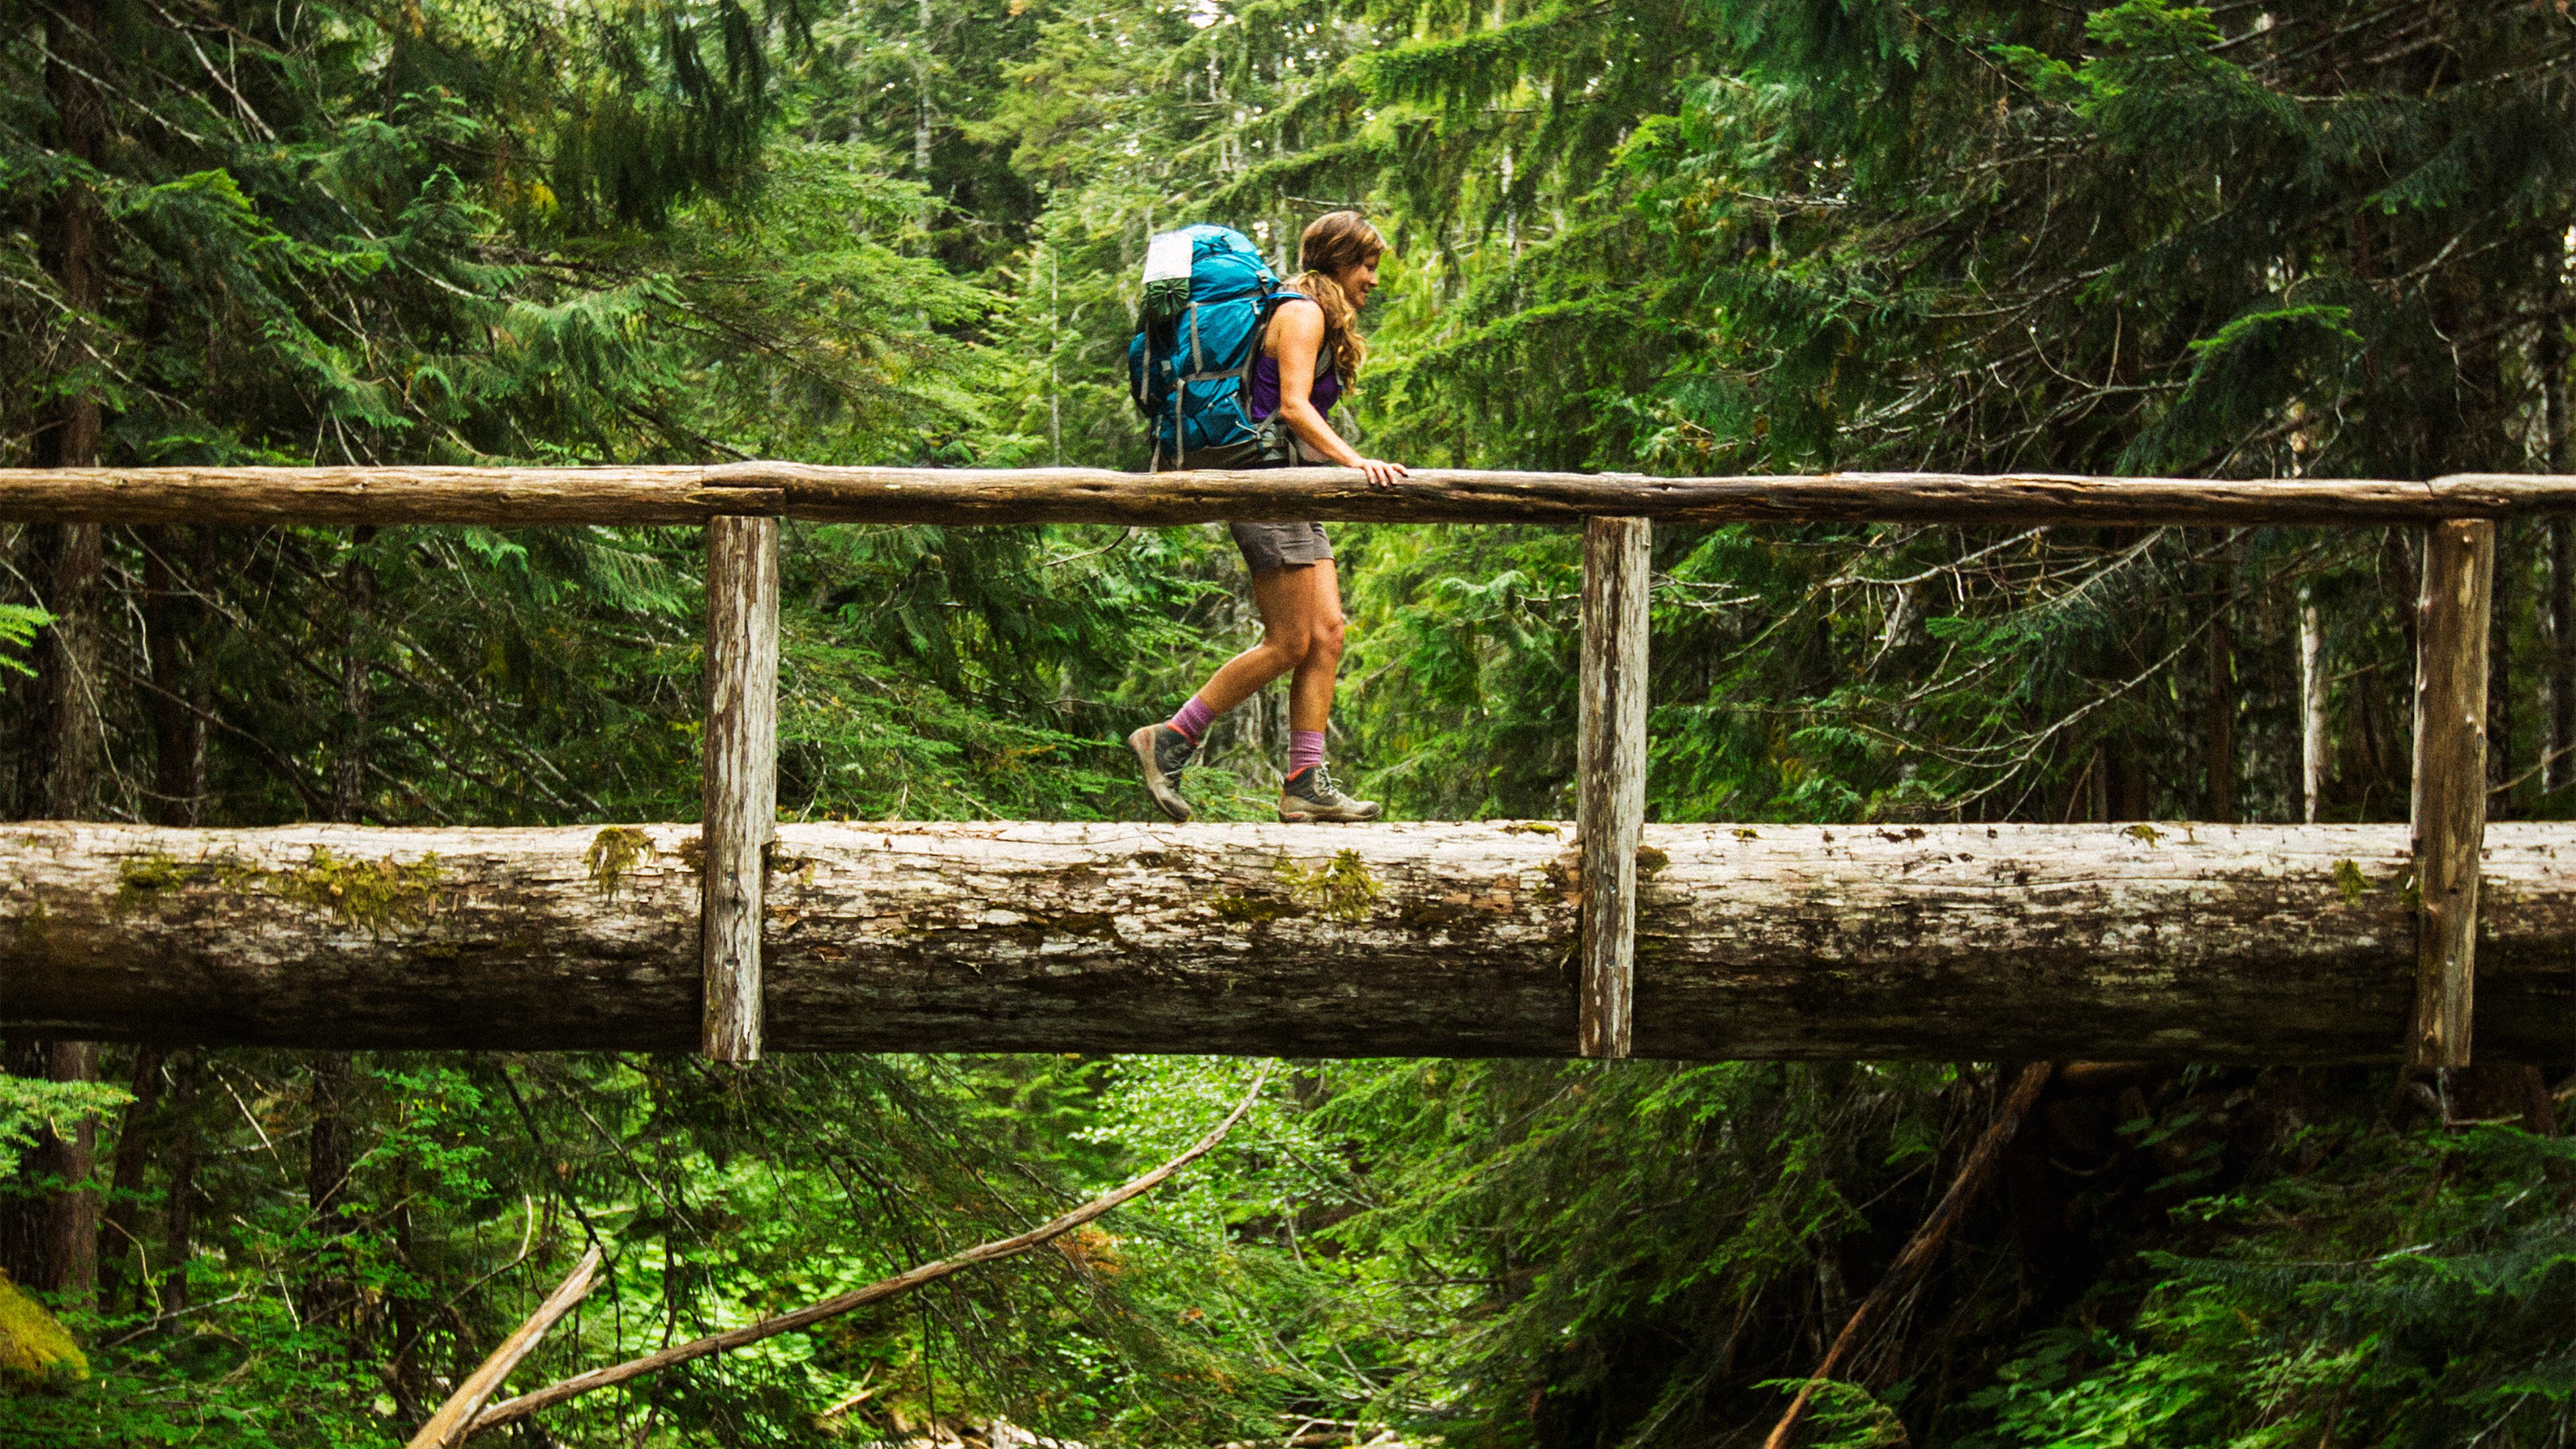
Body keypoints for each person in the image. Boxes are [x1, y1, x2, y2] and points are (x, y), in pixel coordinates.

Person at [1128, 211, 1409, 824]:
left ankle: (1306, 780)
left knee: (1328, 633)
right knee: (1289, 642)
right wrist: (1360, 464)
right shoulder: (1302, 313)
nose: (1373, 280)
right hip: (1265, 486)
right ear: (1337, 260)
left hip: (1292, 486)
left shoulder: (1306, 314)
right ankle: (1171, 737)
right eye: (1366, 266)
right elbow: (1292, 409)